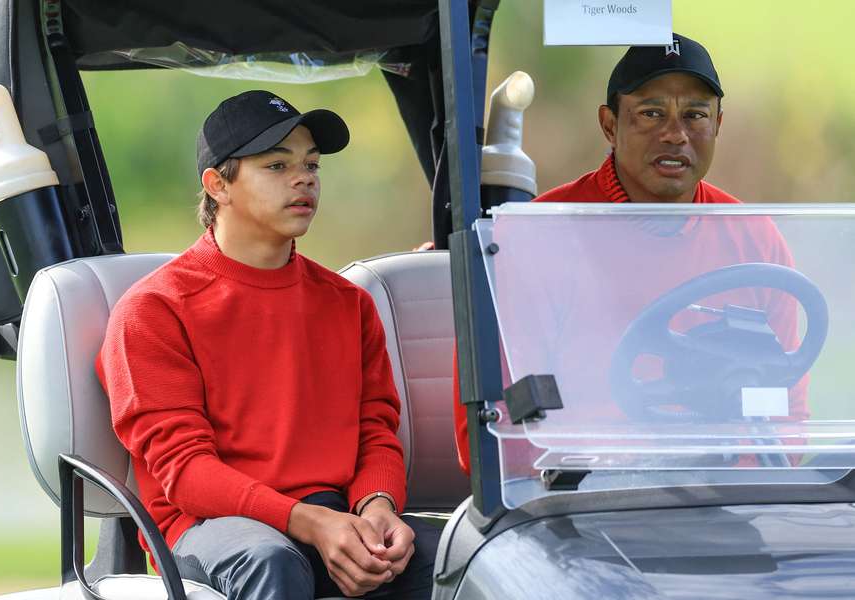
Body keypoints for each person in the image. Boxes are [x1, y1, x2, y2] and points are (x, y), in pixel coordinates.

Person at [97, 91, 440, 599]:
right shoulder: (153, 310)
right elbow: (188, 475)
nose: (304, 179)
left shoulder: (348, 303)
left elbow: (376, 430)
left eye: (312, 165)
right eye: (277, 165)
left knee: (474, 554)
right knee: (271, 562)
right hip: (214, 528)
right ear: (218, 185)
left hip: (334, 515)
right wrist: (310, 522)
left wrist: (378, 507)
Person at [453, 34, 807, 475]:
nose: (676, 134)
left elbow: (787, 416)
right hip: (578, 503)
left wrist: (734, 480)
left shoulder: (756, 238)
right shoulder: (532, 237)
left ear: (718, 125)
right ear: (609, 124)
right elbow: (496, 426)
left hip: (724, 497)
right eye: (651, 113)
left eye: (695, 115)